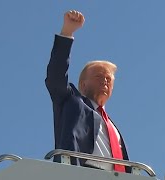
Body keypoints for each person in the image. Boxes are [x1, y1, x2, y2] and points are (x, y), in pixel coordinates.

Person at [45, 10, 131, 173]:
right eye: (99, 76)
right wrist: (67, 32)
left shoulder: (112, 126)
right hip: (83, 173)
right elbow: (55, 77)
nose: (105, 80)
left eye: (109, 79)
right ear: (83, 85)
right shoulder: (71, 101)